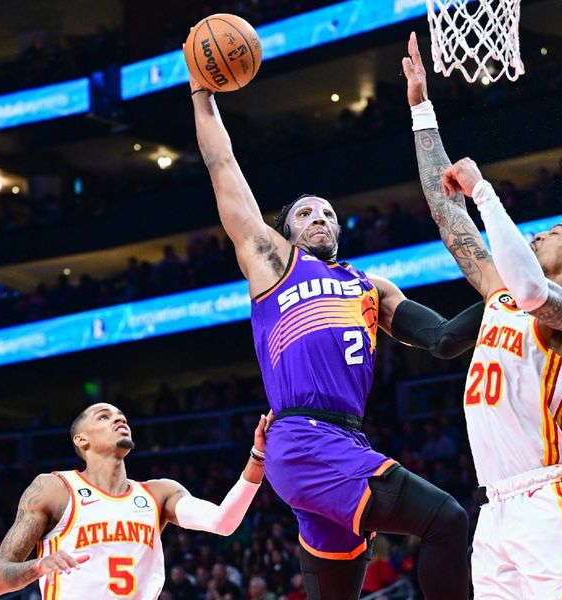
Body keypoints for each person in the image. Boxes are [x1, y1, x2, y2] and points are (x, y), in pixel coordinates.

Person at [186, 50, 484, 600]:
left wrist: (512, 294)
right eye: (305, 213)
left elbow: (443, 339)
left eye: (327, 213)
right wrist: (201, 94)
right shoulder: (274, 265)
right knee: (447, 520)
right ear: (285, 230)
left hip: (340, 440)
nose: (319, 218)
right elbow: (223, 167)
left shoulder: (371, 288)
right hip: (303, 439)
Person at [402, 31, 562, 598]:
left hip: (552, 499)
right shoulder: (499, 290)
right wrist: (422, 109)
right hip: (495, 508)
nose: (543, 230)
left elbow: (531, 293)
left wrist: (486, 192)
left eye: (558, 231)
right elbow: (446, 213)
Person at [0, 402, 271, 598]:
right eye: (104, 416)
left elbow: (222, 522)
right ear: (81, 440)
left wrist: (257, 458)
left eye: (121, 416)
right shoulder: (54, 488)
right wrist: (39, 566)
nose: (119, 419)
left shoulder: (159, 493)